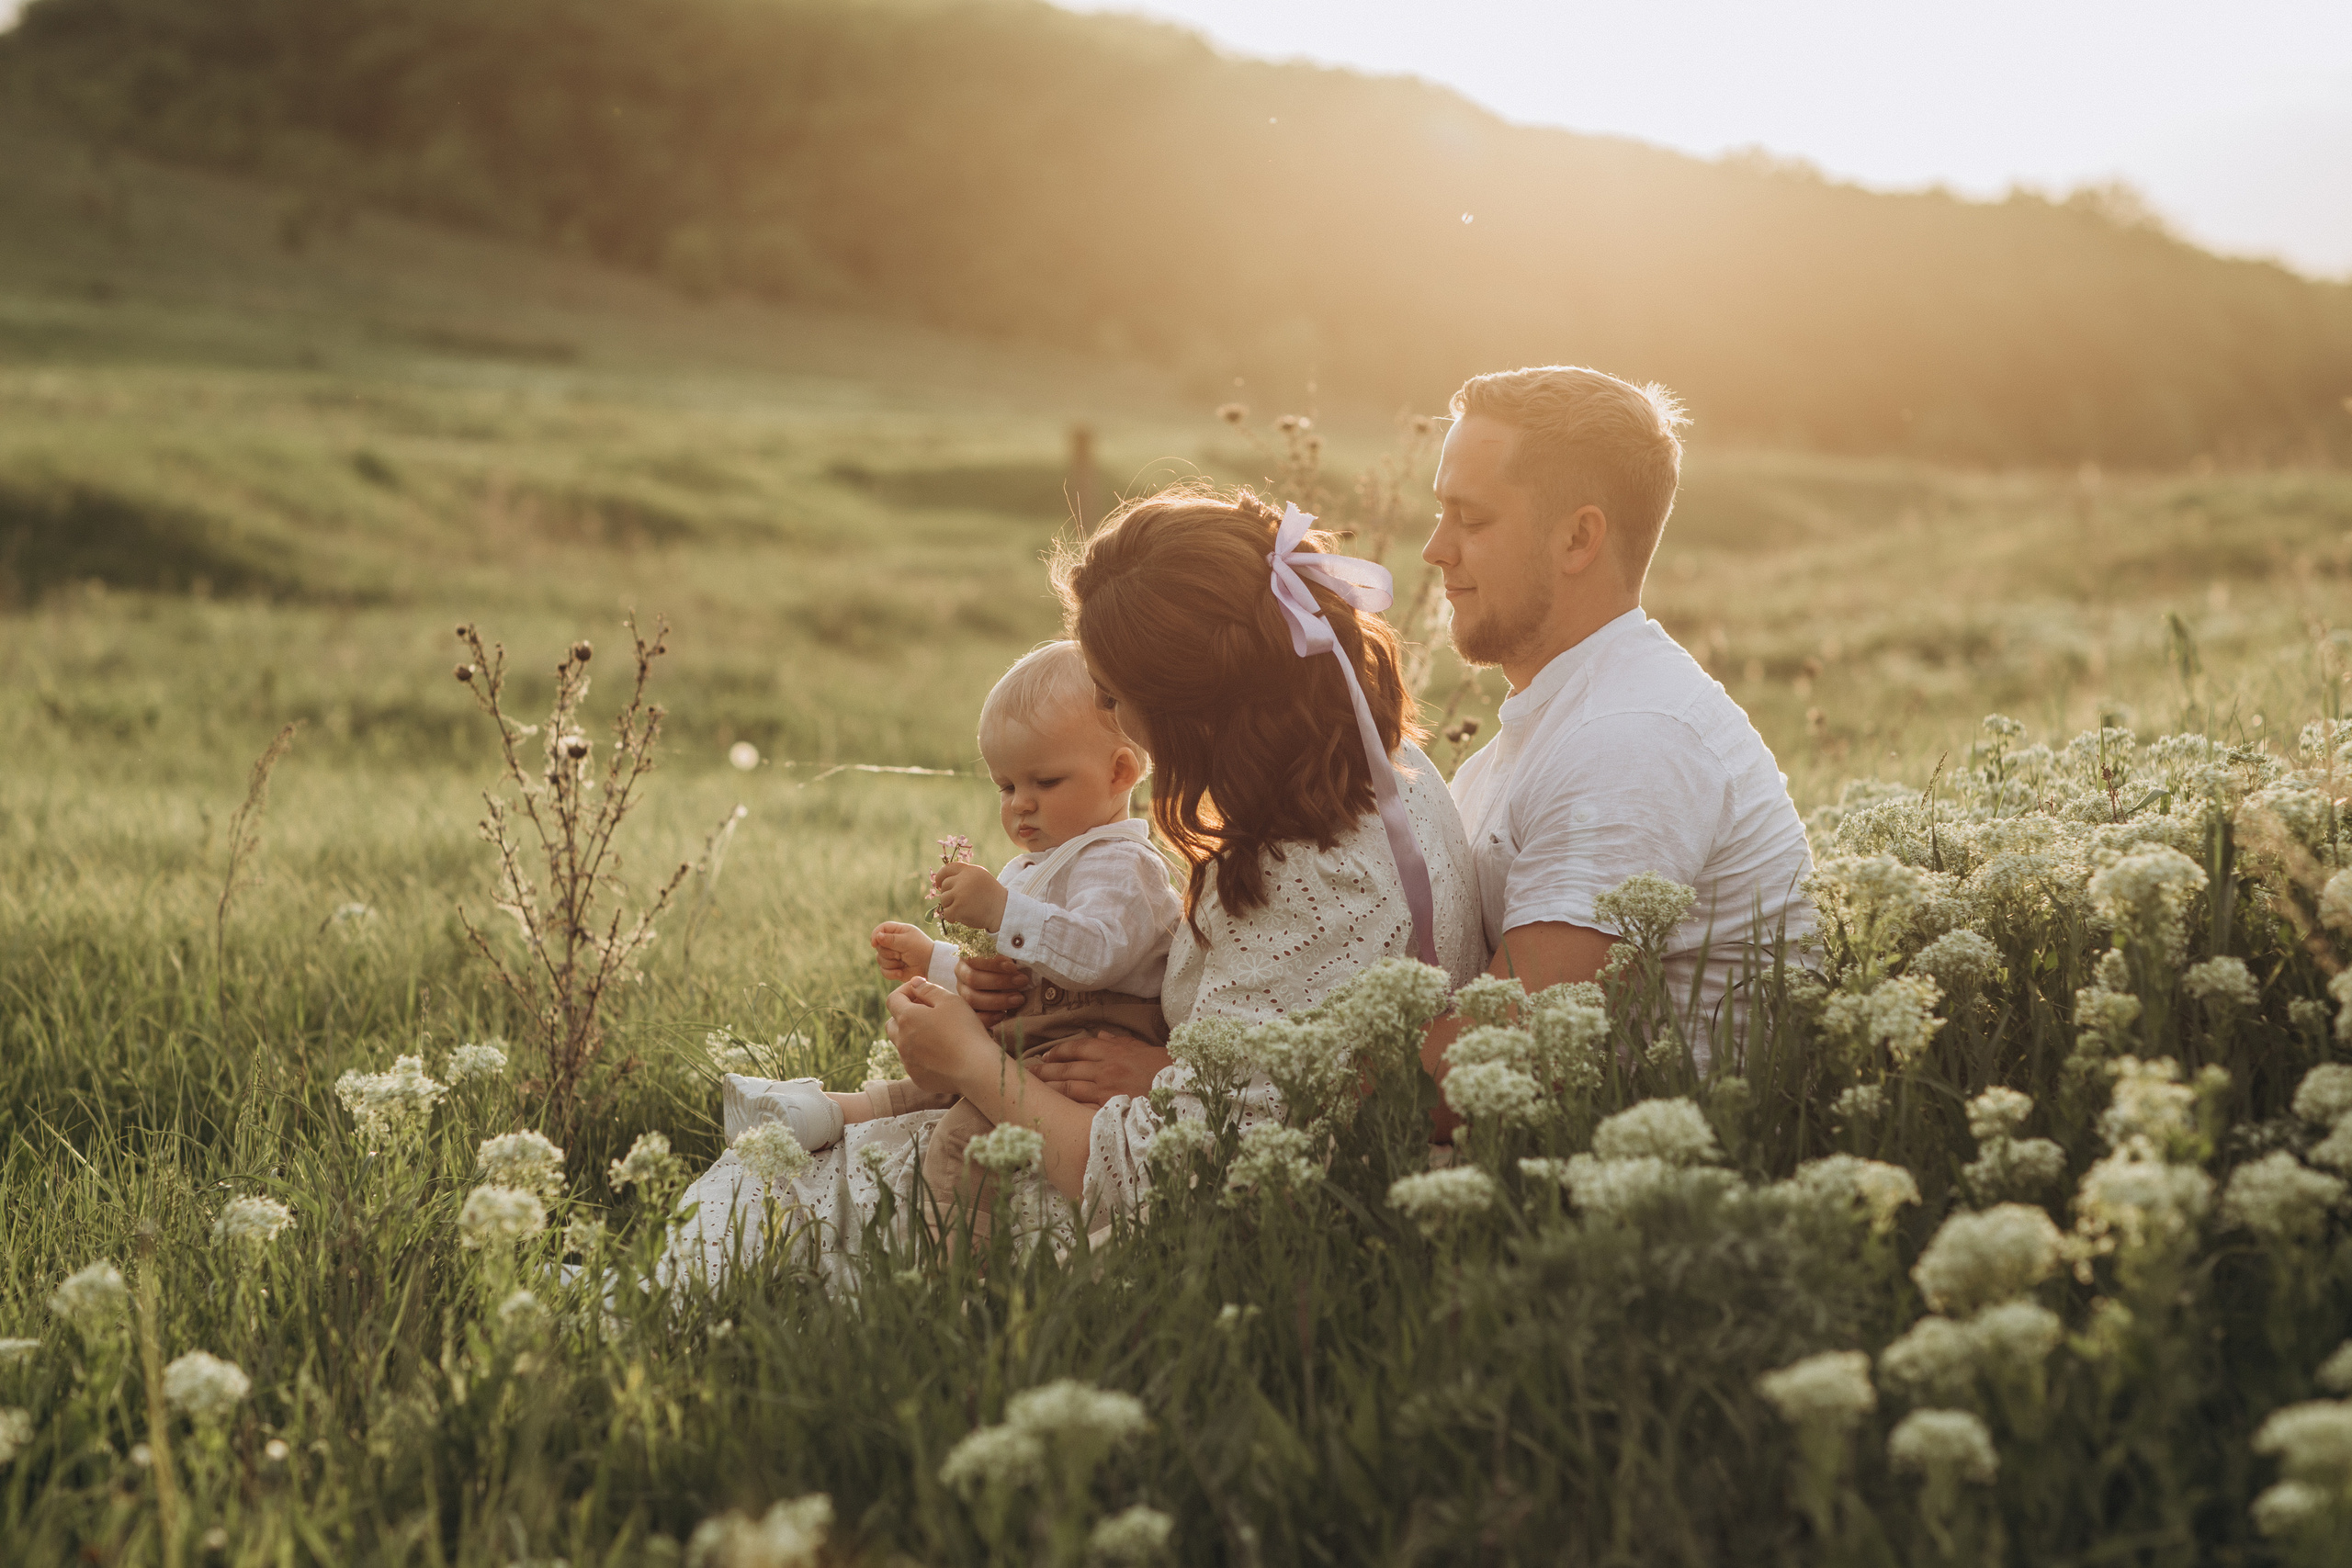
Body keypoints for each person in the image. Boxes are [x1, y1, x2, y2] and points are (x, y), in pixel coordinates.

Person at [662, 489, 1484, 1284]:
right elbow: (1294, 1058)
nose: (1114, 718)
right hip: (1216, 1148)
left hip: (1236, 1240)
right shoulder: (1387, 778)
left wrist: (975, 1062)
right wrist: (1162, 1066)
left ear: (1195, 711)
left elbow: (1175, 1184)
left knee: (777, 1187)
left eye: (1116, 698)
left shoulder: (1309, 874)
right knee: (797, 1179)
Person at [1419, 365, 1816, 1115]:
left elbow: (1502, 1063)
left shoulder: (1631, 739)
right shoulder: (1538, 734)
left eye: (1470, 520)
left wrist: (1216, 1089)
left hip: (1652, 1195)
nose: (1436, 549)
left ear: (1578, 537)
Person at [722, 640, 1180, 1245]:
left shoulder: (1123, 865)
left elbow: (1093, 956)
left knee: (962, 1138)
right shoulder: (1037, 864)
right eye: (1006, 785)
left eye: (1044, 780)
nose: (1021, 805)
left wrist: (1003, 908)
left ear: (1120, 772)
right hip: (1033, 1038)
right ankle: (819, 1111)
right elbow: (1007, 976)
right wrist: (937, 960)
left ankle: (954, 1276)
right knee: (933, 1082)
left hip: (1087, 1048)